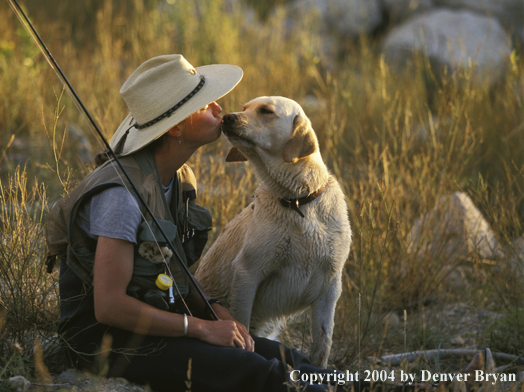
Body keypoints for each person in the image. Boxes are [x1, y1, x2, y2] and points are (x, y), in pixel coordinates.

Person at [45, 55, 483, 392]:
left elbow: (167, 277)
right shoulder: (122, 197)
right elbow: (109, 308)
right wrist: (201, 328)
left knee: (292, 360)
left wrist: (216, 314)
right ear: (176, 128)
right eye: (203, 103)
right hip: (105, 343)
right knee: (262, 374)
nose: (219, 107)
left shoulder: (174, 180)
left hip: (161, 321)